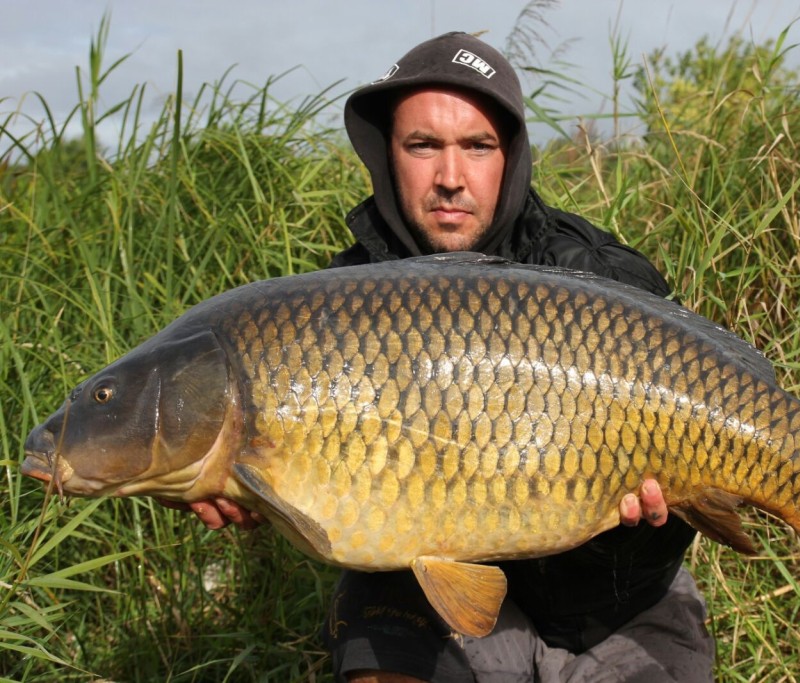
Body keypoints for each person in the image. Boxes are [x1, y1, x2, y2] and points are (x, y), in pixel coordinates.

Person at [173, 32, 714, 683]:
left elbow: (682, 490)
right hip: (428, 599)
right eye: (423, 145)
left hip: (619, 602)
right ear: (386, 156)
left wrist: (648, 521)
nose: (450, 177)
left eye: (477, 146)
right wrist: (212, 472)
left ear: (510, 157)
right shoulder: (332, 306)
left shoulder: (601, 277)